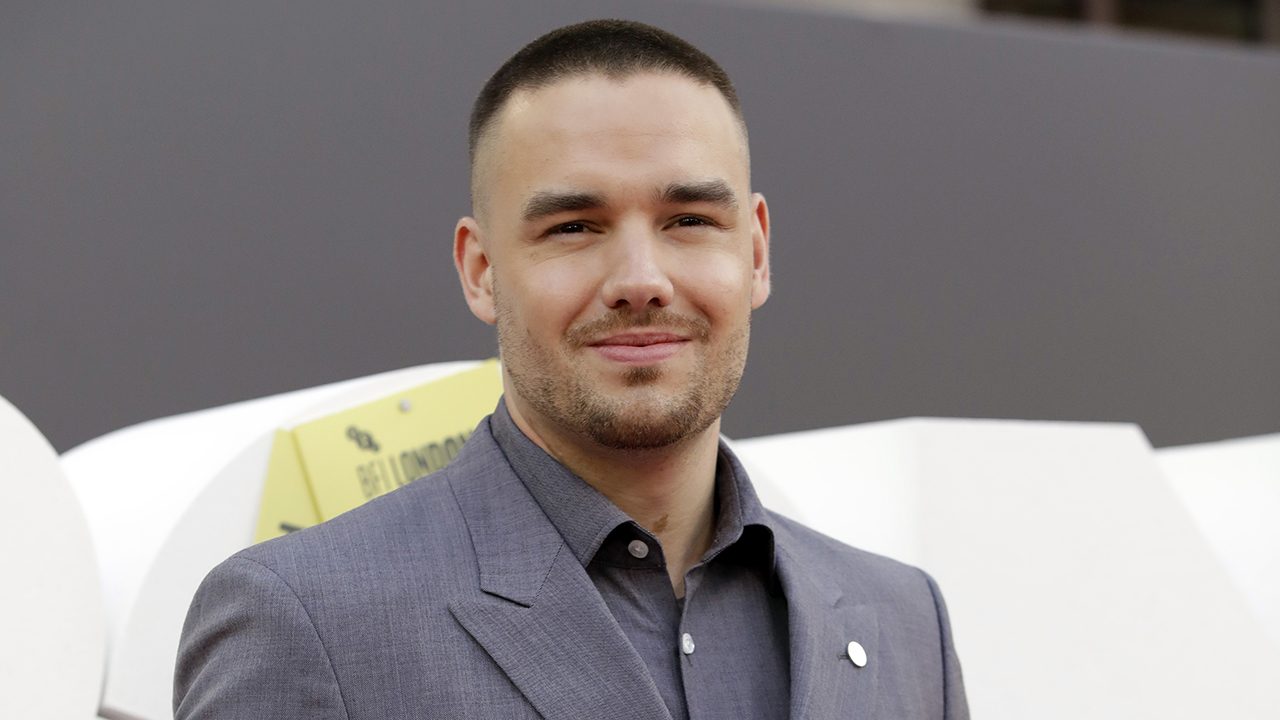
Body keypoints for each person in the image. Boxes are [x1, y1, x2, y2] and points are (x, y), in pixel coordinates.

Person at [174, 19, 968, 719]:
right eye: (574, 227)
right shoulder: (306, 622)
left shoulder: (902, 624)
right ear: (481, 270)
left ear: (755, 253)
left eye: (689, 219)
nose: (640, 279)